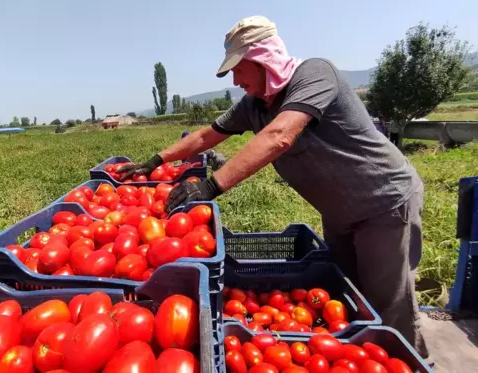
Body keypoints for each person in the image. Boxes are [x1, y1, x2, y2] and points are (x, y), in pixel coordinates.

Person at [116, 15, 431, 363]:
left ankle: (415, 363)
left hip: (383, 202)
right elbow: (208, 136)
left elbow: (280, 135)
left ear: (264, 58)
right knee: (350, 298)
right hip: (340, 213)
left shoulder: (313, 75)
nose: (236, 80)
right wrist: (155, 160)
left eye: (239, 69)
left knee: (389, 306)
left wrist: (210, 186)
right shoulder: (255, 106)